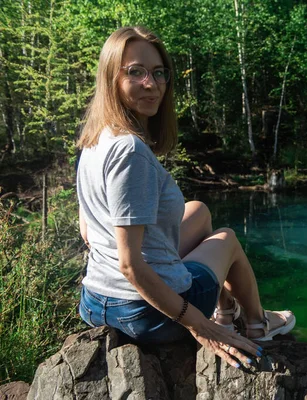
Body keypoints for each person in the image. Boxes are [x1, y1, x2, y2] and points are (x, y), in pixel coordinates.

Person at [76, 26, 295, 369]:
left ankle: (227, 309)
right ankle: (257, 323)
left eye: (159, 72)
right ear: (110, 77)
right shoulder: (129, 152)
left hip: (94, 301)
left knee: (200, 211)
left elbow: (89, 232)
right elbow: (130, 265)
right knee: (227, 240)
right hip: (147, 315)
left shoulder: (95, 138)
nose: (152, 83)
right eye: (136, 72)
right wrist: (199, 324)